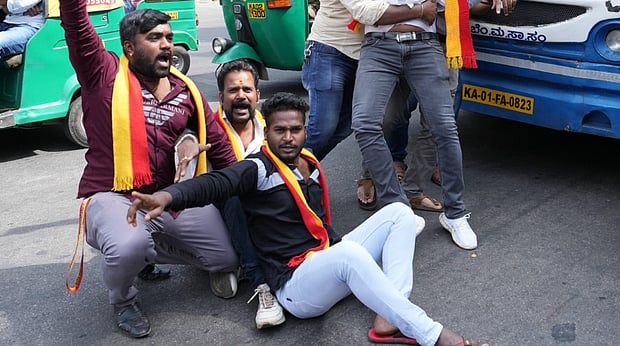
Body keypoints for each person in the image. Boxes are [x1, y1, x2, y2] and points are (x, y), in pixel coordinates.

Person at [261, 0, 516, 250]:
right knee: (364, 124)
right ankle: (397, 206)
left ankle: (455, 213)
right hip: (378, 46)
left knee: (445, 127)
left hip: (425, 46)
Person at [126, 92, 489, 346]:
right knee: (349, 255)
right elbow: (217, 183)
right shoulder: (258, 168)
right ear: (266, 131)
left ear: (304, 130)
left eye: (295, 130)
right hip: (296, 288)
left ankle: (389, 317)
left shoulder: (309, 165)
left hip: (322, 261)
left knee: (398, 213)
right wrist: (168, 195)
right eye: (279, 130)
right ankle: (434, 335)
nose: (288, 137)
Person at [55, 0, 239, 339]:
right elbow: (76, 19)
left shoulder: (185, 90)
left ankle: (146, 254)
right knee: (128, 244)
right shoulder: (102, 74)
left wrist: (253, 181)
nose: (166, 46)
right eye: (154, 38)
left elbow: (222, 149)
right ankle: (125, 297)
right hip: (113, 197)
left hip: (170, 198)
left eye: (170, 38)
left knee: (224, 258)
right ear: (130, 47)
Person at [301, 0, 437, 210]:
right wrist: (419, 10)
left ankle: (296, 175)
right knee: (323, 128)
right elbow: (365, 12)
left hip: (363, 55)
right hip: (329, 52)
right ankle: (283, 176)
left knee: (350, 125)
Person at [401, 0, 506, 211]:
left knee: (436, 122)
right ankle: (372, 178)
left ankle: (413, 189)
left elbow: (453, 4)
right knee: (386, 116)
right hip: (403, 39)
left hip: (447, 46)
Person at [212, 59, 285, 329]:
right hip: (215, 211)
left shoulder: (272, 129)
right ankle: (261, 283)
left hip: (261, 209)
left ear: (258, 95)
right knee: (232, 193)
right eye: (233, 91)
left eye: (247, 90)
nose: (240, 96)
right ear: (221, 97)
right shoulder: (206, 128)